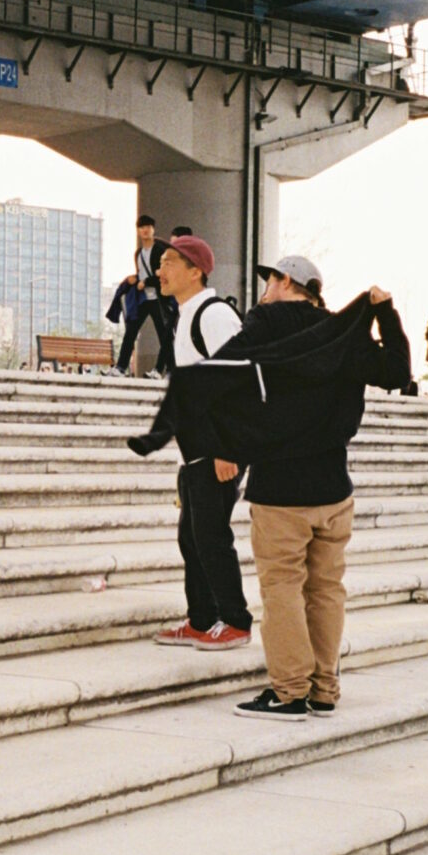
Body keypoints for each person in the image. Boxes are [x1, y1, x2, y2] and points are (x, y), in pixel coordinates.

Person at [139, 254, 410, 717]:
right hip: (334, 487)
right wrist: (385, 313)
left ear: (286, 282)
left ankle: (289, 691)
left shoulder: (264, 323)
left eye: (269, 282)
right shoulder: (343, 333)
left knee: (282, 588)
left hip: (280, 487)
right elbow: (397, 372)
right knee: (326, 590)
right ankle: (323, 689)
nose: (263, 291)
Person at [148, 235, 252, 653]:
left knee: (210, 537)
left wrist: (228, 449)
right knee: (192, 538)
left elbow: (239, 382)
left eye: (170, 262)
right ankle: (202, 619)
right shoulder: (185, 316)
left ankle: (236, 621)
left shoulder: (214, 315)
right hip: (196, 451)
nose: (160, 270)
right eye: (160, 262)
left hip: (218, 450)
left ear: (196, 272)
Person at [110, 215, 174, 377]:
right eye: (142, 227)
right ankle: (120, 367)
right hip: (143, 299)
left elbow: (163, 274)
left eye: (148, 227)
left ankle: (170, 370)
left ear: (153, 229)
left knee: (164, 335)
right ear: (138, 231)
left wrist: (146, 282)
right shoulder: (138, 253)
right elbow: (142, 273)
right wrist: (135, 279)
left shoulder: (160, 250)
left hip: (158, 298)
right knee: (130, 332)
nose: (145, 230)